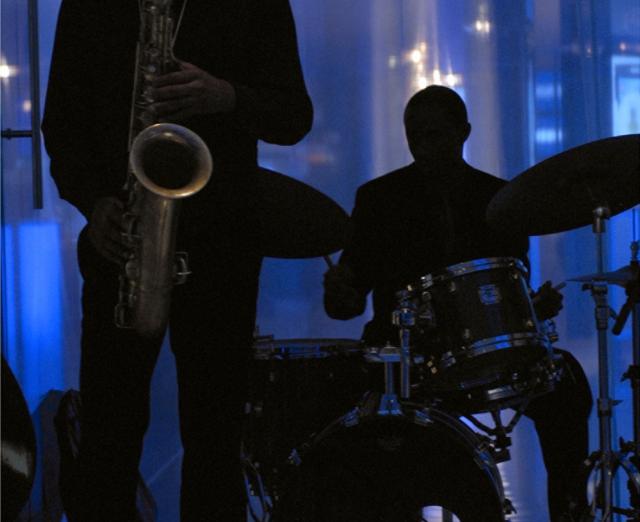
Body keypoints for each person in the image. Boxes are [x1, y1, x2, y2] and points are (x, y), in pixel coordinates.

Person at [42, 1, 313, 520]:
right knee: (108, 437)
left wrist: (226, 96)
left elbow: (294, 115)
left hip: (222, 244)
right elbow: (61, 121)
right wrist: (92, 199)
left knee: (215, 438)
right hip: (120, 239)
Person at [323, 85, 593, 522]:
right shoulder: (378, 200)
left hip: (488, 355)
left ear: (463, 132)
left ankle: (570, 510)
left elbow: (509, 288)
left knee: (565, 385)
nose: (424, 148)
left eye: (436, 135)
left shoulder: (501, 200)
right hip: (404, 361)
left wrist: (531, 308)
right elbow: (345, 307)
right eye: (415, 136)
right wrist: (340, 293)